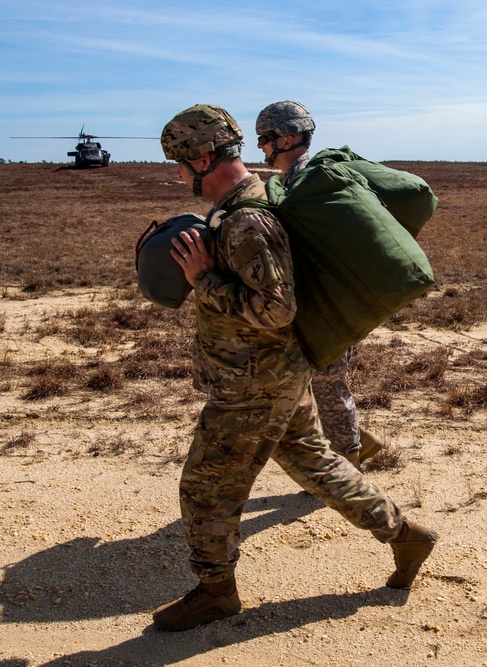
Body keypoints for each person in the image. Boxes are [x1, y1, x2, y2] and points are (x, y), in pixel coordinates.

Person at [151, 103, 437, 632]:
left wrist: (203, 282)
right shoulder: (257, 198)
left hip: (254, 381)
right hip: (278, 373)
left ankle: (215, 592)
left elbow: (276, 308)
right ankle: (407, 536)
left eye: (179, 162)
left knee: (204, 484)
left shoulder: (247, 220)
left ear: (203, 157)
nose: (177, 173)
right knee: (316, 464)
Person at [254, 100, 383, 468]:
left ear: (288, 138)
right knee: (316, 379)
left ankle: (347, 462)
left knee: (328, 380)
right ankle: (359, 439)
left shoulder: (311, 181)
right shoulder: (292, 180)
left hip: (329, 303)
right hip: (317, 300)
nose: (260, 146)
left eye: (265, 138)